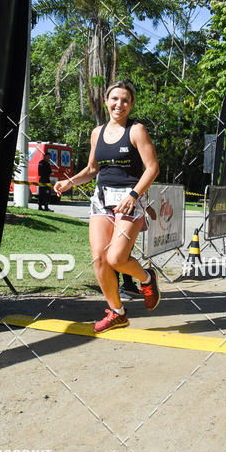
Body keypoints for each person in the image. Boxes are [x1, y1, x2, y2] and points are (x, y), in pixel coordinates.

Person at [54, 80, 160, 332]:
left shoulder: (136, 130)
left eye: (125, 100)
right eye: (114, 99)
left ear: (131, 104)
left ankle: (146, 278)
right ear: (106, 101)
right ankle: (117, 312)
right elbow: (92, 169)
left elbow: (153, 168)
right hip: (102, 199)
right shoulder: (96, 132)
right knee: (99, 258)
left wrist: (134, 194)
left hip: (129, 199)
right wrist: (69, 182)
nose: (119, 104)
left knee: (116, 258)